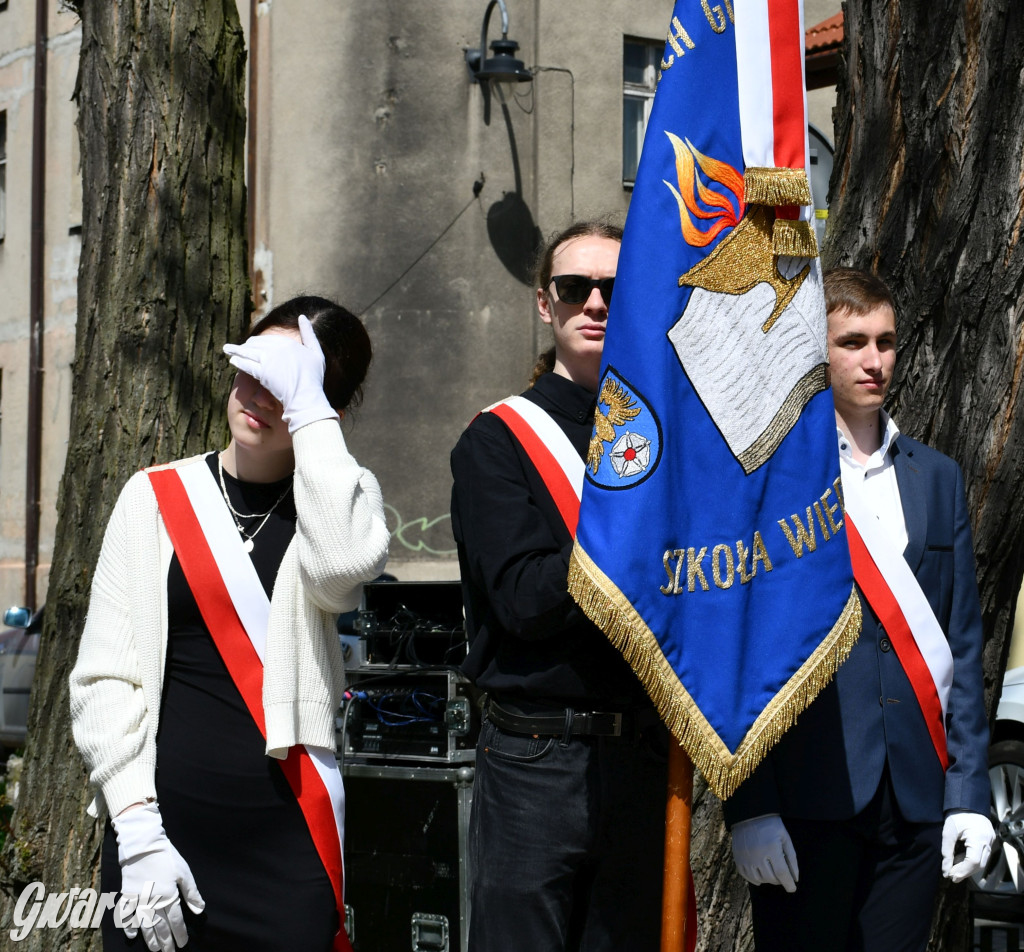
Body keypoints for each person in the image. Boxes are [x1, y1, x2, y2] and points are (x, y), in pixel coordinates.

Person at [70, 296, 390, 952]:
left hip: (287, 838)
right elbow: (105, 677)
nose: (257, 393)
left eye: (287, 382)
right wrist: (136, 830)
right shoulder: (152, 498)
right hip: (159, 834)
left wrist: (313, 421)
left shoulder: (337, 500)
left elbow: (345, 569)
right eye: (253, 367)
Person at [724, 268, 995, 952]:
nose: (875, 361)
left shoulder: (937, 476)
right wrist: (749, 805)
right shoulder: (768, 478)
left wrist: (969, 791)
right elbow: (736, 651)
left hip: (914, 800)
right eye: (852, 342)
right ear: (817, 351)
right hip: (805, 800)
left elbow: (961, 645)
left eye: (886, 341)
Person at [450, 221, 669, 952]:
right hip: (537, 756)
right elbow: (524, 600)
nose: (597, 303)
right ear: (547, 305)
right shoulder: (498, 441)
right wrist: (639, 548)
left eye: (615, 288)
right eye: (576, 289)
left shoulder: (673, 437)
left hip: (644, 757)